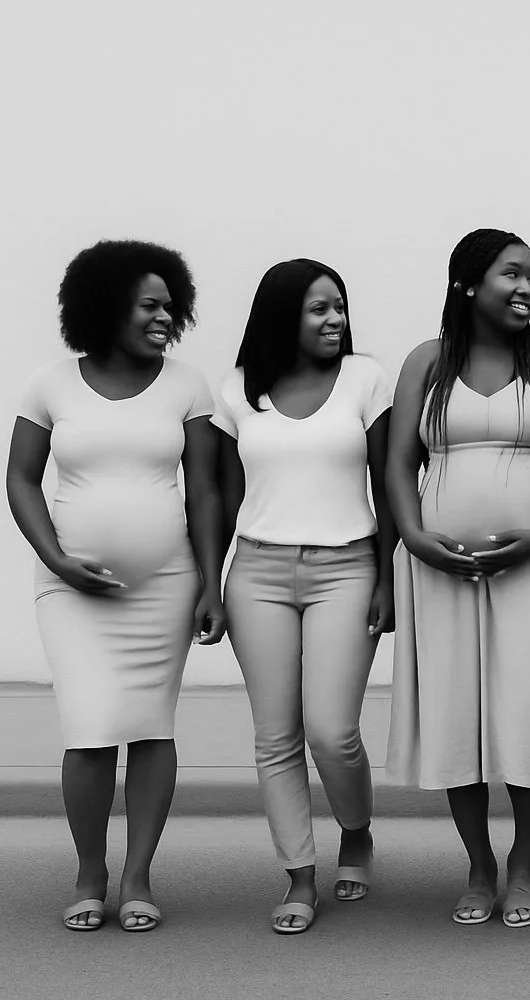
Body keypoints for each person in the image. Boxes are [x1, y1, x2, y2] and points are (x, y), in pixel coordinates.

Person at [386, 229, 530, 929]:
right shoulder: (426, 363)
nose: (527, 288)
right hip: (439, 569)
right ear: (468, 283)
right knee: (457, 714)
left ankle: (525, 862)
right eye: (512, 274)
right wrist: (416, 539)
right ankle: (479, 864)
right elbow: (397, 466)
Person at [6, 240, 225, 933]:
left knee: (152, 725)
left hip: (166, 584)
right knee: (90, 726)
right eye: (150, 305)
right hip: (70, 590)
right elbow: (20, 478)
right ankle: (89, 871)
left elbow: (208, 493)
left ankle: (137, 876)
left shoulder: (188, 385)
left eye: (171, 305)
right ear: (105, 307)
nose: (167, 317)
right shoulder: (50, 385)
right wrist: (58, 557)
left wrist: (210, 584)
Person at [215, 259, 395, 934]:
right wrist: (212, 581)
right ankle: (298, 875)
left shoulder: (366, 379)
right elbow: (221, 498)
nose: (335, 320)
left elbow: (390, 484)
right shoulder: (237, 392)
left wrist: (386, 577)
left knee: (331, 729)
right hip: (257, 573)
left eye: (340, 307)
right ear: (280, 315)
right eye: (319, 309)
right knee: (275, 737)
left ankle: (357, 829)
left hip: (346, 569)